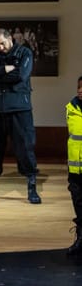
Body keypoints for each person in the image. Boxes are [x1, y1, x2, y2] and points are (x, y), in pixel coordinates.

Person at [0, 28, 41, 204]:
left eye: (2, 44)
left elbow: (20, 75)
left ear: (10, 39)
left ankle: (32, 188)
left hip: (20, 109)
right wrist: (5, 69)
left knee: (25, 148)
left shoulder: (25, 53)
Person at [65, 76, 82, 255]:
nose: (80, 90)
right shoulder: (71, 108)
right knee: (78, 204)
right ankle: (81, 239)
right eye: (79, 87)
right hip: (75, 169)